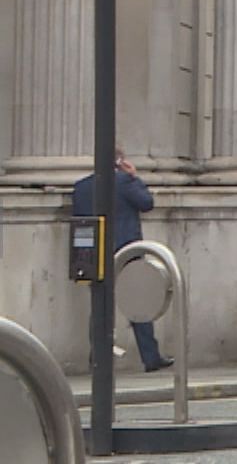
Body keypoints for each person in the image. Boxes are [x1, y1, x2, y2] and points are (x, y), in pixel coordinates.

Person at [72, 148, 170, 373]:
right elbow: (147, 203)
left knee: (100, 306)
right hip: (126, 249)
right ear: (119, 161)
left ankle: (98, 357)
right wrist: (135, 177)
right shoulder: (125, 182)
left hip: (94, 252)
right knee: (138, 304)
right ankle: (150, 356)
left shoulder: (81, 187)